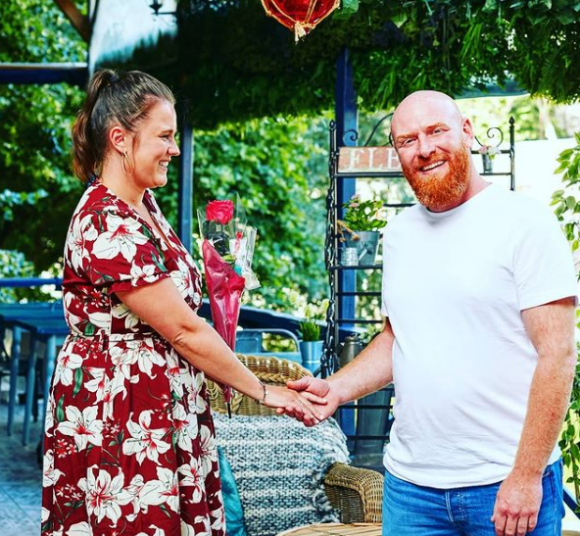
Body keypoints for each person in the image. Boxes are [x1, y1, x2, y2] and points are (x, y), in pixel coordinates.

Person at [41, 69, 322, 536]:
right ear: (121, 139)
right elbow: (183, 329)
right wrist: (267, 392)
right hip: (125, 416)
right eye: (165, 136)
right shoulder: (106, 222)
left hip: (159, 409)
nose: (175, 148)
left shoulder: (143, 204)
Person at [285, 90, 578, 536]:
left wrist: (525, 475)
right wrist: (337, 389)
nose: (424, 149)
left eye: (436, 131)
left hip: (502, 483)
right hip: (411, 490)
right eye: (407, 140)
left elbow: (557, 355)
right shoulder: (400, 234)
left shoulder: (525, 222)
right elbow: (398, 336)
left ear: (466, 132)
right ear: (397, 151)